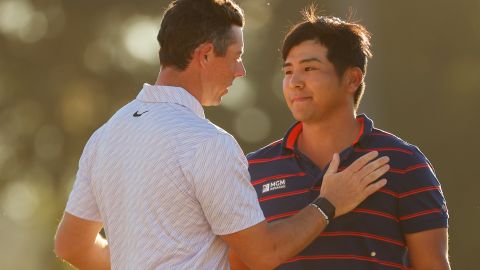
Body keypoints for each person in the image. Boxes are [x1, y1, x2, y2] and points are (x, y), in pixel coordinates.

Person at [53, 1, 390, 269]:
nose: (240, 71)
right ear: (204, 55)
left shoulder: (107, 134)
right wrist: (329, 203)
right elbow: (265, 254)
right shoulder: (208, 143)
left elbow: (71, 245)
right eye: (236, 57)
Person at [230, 8, 450, 270]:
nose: (294, 82)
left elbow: (433, 265)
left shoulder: (404, 163)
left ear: (352, 79)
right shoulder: (253, 170)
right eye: (288, 71)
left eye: (309, 68)